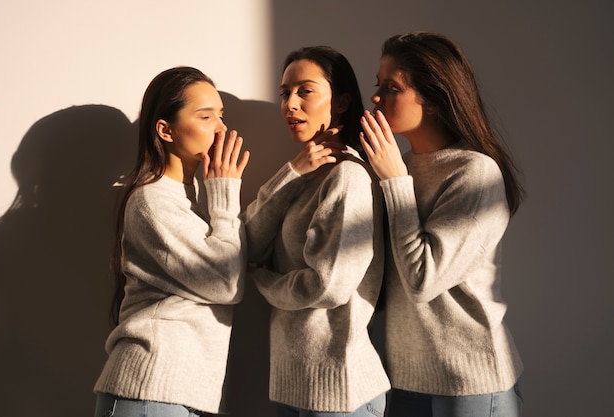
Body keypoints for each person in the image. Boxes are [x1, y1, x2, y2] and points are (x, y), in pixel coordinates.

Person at [359, 32, 525, 417]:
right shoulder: (398, 166)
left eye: (391, 87)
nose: (376, 98)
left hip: (469, 387)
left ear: (432, 100)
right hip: (402, 381)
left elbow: (422, 279)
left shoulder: (475, 173)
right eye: (376, 85)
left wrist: (394, 181)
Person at [93, 66, 250, 417]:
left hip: (177, 394)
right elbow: (226, 283)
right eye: (205, 116)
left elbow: (240, 257)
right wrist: (225, 193)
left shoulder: (195, 196)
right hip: (151, 390)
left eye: (221, 115)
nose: (222, 129)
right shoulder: (152, 201)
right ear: (165, 130)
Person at [242, 46, 390, 417]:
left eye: (305, 91)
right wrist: (290, 173)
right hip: (294, 388)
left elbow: (329, 285)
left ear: (341, 102)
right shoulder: (303, 174)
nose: (290, 105)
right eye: (284, 93)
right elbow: (248, 243)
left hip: (341, 394)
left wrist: (265, 282)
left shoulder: (349, 177)